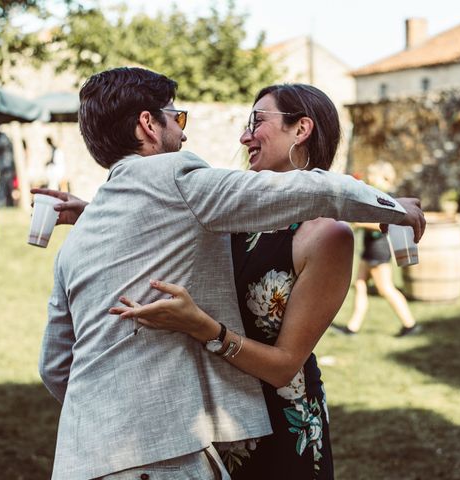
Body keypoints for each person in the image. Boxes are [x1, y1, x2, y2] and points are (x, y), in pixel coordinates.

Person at [35, 67, 425, 480]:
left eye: (256, 122)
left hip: (100, 453)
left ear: (302, 129)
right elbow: (318, 191)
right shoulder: (181, 181)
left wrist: (106, 415)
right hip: (175, 448)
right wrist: (396, 208)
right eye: (177, 117)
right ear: (148, 124)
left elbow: (55, 366)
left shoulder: (78, 243)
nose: (184, 134)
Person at [107, 83, 354, 479]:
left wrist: (201, 327)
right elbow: (163, 216)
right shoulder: (230, 212)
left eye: (257, 121)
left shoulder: (327, 236)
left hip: (281, 430)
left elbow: (284, 367)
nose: (244, 136)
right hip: (213, 421)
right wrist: (87, 214)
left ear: (301, 129)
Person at [333, 161, 420, 337]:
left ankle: (410, 324)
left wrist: (359, 222)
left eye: (373, 175)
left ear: (385, 178)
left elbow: (388, 224)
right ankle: (352, 327)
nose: (369, 178)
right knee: (360, 284)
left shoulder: (387, 198)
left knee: (385, 288)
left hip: (378, 249)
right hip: (369, 248)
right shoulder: (377, 195)